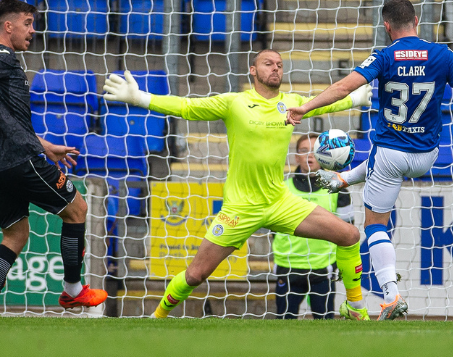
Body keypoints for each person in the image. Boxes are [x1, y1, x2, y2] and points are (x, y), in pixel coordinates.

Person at [285, 0, 453, 321]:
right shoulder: (442, 54)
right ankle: (342, 178)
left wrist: (305, 108)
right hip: (427, 155)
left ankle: (390, 295)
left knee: (375, 225)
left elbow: (343, 88)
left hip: (391, 153)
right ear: (416, 20)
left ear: (387, 26)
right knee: (380, 162)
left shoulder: (383, 57)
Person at [103, 49, 376, 320]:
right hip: (240, 209)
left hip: (279, 202)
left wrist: (354, 99)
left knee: (349, 236)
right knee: (196, 274)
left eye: (279, 64)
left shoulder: (292, 102)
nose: (276, 68)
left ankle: (355, 307)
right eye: (268, 63)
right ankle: (157, 317)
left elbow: (324, 103)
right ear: (253, 70)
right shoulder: (234, 102)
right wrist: (140, 98)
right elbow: (187, 108)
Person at [0, 0, 108, 317]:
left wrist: (46, 146)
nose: (32, 30)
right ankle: (73, 291)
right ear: (9, 26)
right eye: (27, 23)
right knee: (77, 209)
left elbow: (10, 121)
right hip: (19, 159)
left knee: (15, 235)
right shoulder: (0, 56)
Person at [271, 133, 353, 319]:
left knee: (324, 324)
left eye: (314, 151)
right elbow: (272, 229)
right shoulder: (280, 189)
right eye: (303, 150)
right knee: (283, 323)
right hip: (288, 266)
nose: (309, 155)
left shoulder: (339, 190)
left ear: (324, 155)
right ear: (296, 157)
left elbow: (347, 232)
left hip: (323, 268)